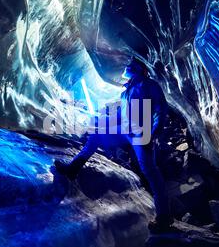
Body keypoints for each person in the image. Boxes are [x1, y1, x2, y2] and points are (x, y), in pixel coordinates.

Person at [54, 57, 173, 233]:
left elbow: (160, 110)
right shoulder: (126, 91)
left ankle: (164, 217)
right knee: (96, 136)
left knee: (150, 172)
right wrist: (101, 121)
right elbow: (120, 116)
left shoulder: (149, 85)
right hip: (125, 130)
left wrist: (154, 134)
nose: (127, 67)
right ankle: (73, 169)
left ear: (139, 69)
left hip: (141, 133)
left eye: (131, 64)